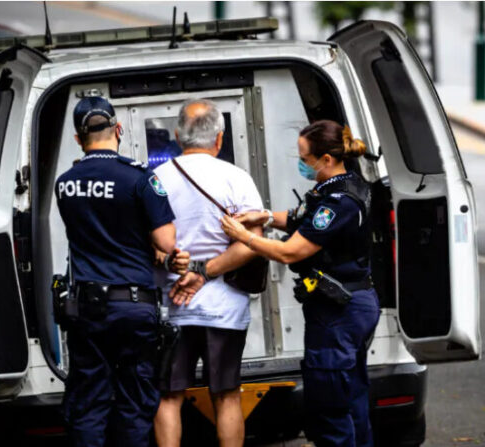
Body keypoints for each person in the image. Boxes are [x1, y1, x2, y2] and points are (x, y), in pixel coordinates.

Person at [220, 120, 380, 447]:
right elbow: (301, 216)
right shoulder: (342, 186)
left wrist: (244, 238)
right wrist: (262, 216)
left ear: (326, 159)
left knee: (329, 408)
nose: (300, 163)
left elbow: (291, 252)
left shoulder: (339, 203)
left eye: (304, 158)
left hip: (339, 312)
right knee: (351, 398)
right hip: (349, 305)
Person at [54, 96, 189, 447]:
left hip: (87, 308)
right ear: (118, 128)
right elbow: (167, 240)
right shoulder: (139, 177)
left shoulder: (66, 183)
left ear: (78, 138)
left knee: (88, 402)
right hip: (133, 307)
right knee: (134, 401)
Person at [152, 99, 264, 447]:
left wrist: (175, 264)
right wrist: (206, 271)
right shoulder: (236, 178)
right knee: (227, 395)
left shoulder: (154, 179)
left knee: (168, 396)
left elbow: (143, 244)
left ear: (176, 136)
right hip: (225, 309)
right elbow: (251, 244)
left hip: (171, 309)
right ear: (219, 138)